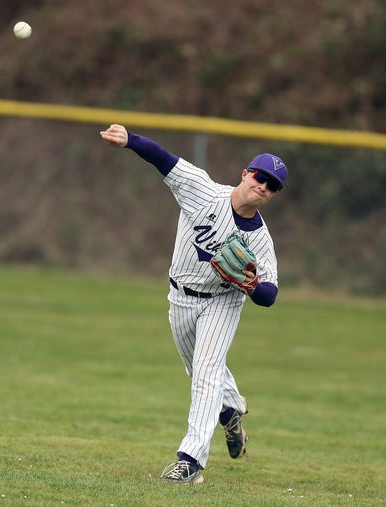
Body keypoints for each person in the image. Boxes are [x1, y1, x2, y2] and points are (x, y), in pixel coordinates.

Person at [99, 124, 288, 484]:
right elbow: (164, 160)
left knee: (205, 374)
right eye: (260, 177)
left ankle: (191, 462)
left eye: (272, 185)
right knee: (201, 372)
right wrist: (129, 141)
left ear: (274, 194)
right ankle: (231, 408)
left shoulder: (260, 239)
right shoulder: (201, 190)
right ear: (245, 174)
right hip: (180, 297)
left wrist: (251, 285)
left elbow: (271, 295)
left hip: (222, 303)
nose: (263, 186)